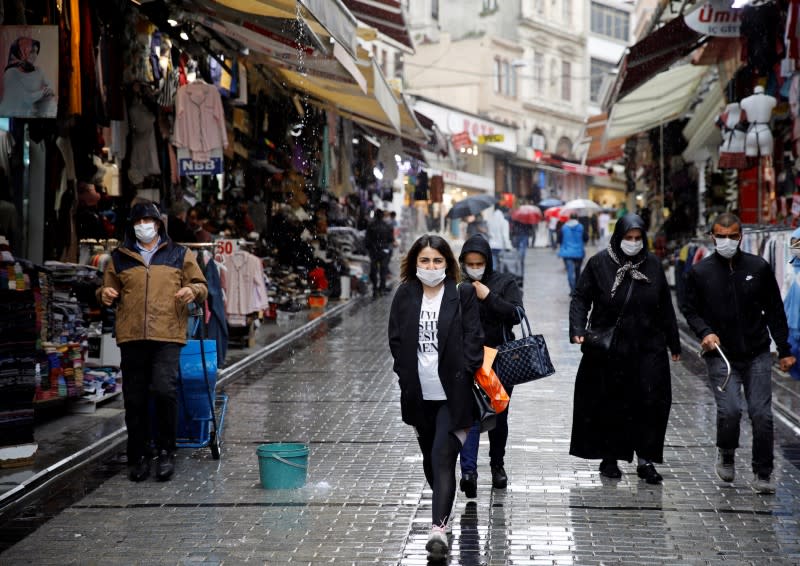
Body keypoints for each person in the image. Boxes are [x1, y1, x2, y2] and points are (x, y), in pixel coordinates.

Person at [680, 212, 795, 494]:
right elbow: (689, 308)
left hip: (757, 352)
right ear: (712, 237)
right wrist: (705, 332)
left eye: (733, 236)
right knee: (730, 409)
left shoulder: (758, 267)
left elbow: (774, 310)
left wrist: (784, 349)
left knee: (762, 414)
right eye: (722, 236)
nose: (727, 241)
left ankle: (763, 471)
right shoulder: (700, 272)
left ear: (741, 236)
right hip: (721, 354)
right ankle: (727, 451)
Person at [388, 234, 484, 561]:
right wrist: (405, 376)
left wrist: (466, 371)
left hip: (453, 395)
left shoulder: (462, 293)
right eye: (425, 261)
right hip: (419, 396)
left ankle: (437, 530)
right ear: (415, 263)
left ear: (448, 263)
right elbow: (396, 340)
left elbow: (474, 338)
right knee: (432, 463)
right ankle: (445, 503)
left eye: (437, 261)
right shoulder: (405, 295)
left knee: (443, 457)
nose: (431, 267)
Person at [97, 202, 208, 482]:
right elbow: (107, 289)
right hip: (131, 334)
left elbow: (202, 286)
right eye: (139, 220)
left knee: (163, 389)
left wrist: (191, 290)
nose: (144, 225)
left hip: (167, 334)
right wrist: (104, 294)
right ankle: (139, 454)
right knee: (134, 399)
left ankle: (166, 450)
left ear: (159, 224)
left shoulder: (179, 253)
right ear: (132, 225)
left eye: (150, 220)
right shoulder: (119, 257)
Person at [569, 213, 681, 484]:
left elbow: (665, 305)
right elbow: (581, 297)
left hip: (648, 345)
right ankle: (610, 457)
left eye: (637, 238)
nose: (633, 243)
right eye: (628, 238)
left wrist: (674, 342)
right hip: (611, 348)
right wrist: (577, 329)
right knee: (611, 401)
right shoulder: (599, 264)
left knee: (650, 403)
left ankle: (646, 460)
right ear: (618, 237)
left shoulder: (652, 265)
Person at [457, 234, 523, 497]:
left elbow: (516, 314)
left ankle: (497, 465)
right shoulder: (457, 284)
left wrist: (488, 296)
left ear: (488, 261)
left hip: (499, 361)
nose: (475, 268)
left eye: (479, 262)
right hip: (468, 361)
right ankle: (469, 473)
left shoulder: (504, 282)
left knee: (498, 416)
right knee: (469, 415)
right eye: (470, 263)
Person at [0, 37, 56, 118]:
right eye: (32, 52)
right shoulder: (11, 73)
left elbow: (51, 84)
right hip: (10, 115)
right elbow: (25, 97)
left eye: (37, 52)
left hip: (29, 114)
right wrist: (43, 92)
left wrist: (49, 89)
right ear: (21, 52)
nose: (35, 55)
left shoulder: (38, 71)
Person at [365, 208, 395, 296]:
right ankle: (382, 287)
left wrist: (370, 248)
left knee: (374, 269)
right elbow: (391, 239)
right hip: (384, 251)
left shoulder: (371, 226)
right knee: (383, 269)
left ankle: (375, 288)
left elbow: (367, 240)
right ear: (382, 216)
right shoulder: (387, 226)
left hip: (374, 251)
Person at [558, 213, 587, 294]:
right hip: (578, 253)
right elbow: (586, 238)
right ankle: (577, 289)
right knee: (577, 271)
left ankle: (572, 290)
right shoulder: (581, 227)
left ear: (569, 218)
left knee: (570, 272)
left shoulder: (564, 227)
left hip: (567, 253)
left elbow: (559, 239)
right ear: (577, 218)